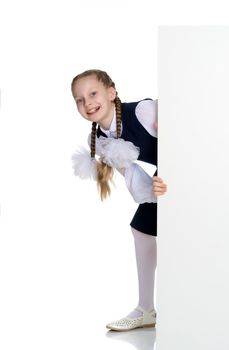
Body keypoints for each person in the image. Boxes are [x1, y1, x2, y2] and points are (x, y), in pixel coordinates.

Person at [71, 69, 167, 331]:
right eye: (79, 99)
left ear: (111, 93)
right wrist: (156, 190)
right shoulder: (98, 139)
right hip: (166, 179)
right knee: (142, 228)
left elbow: (184, 134)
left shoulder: (143, 112)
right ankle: (146, 309)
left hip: (192, 166)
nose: (87, 102)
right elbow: (132, 174)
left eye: (93, 94)